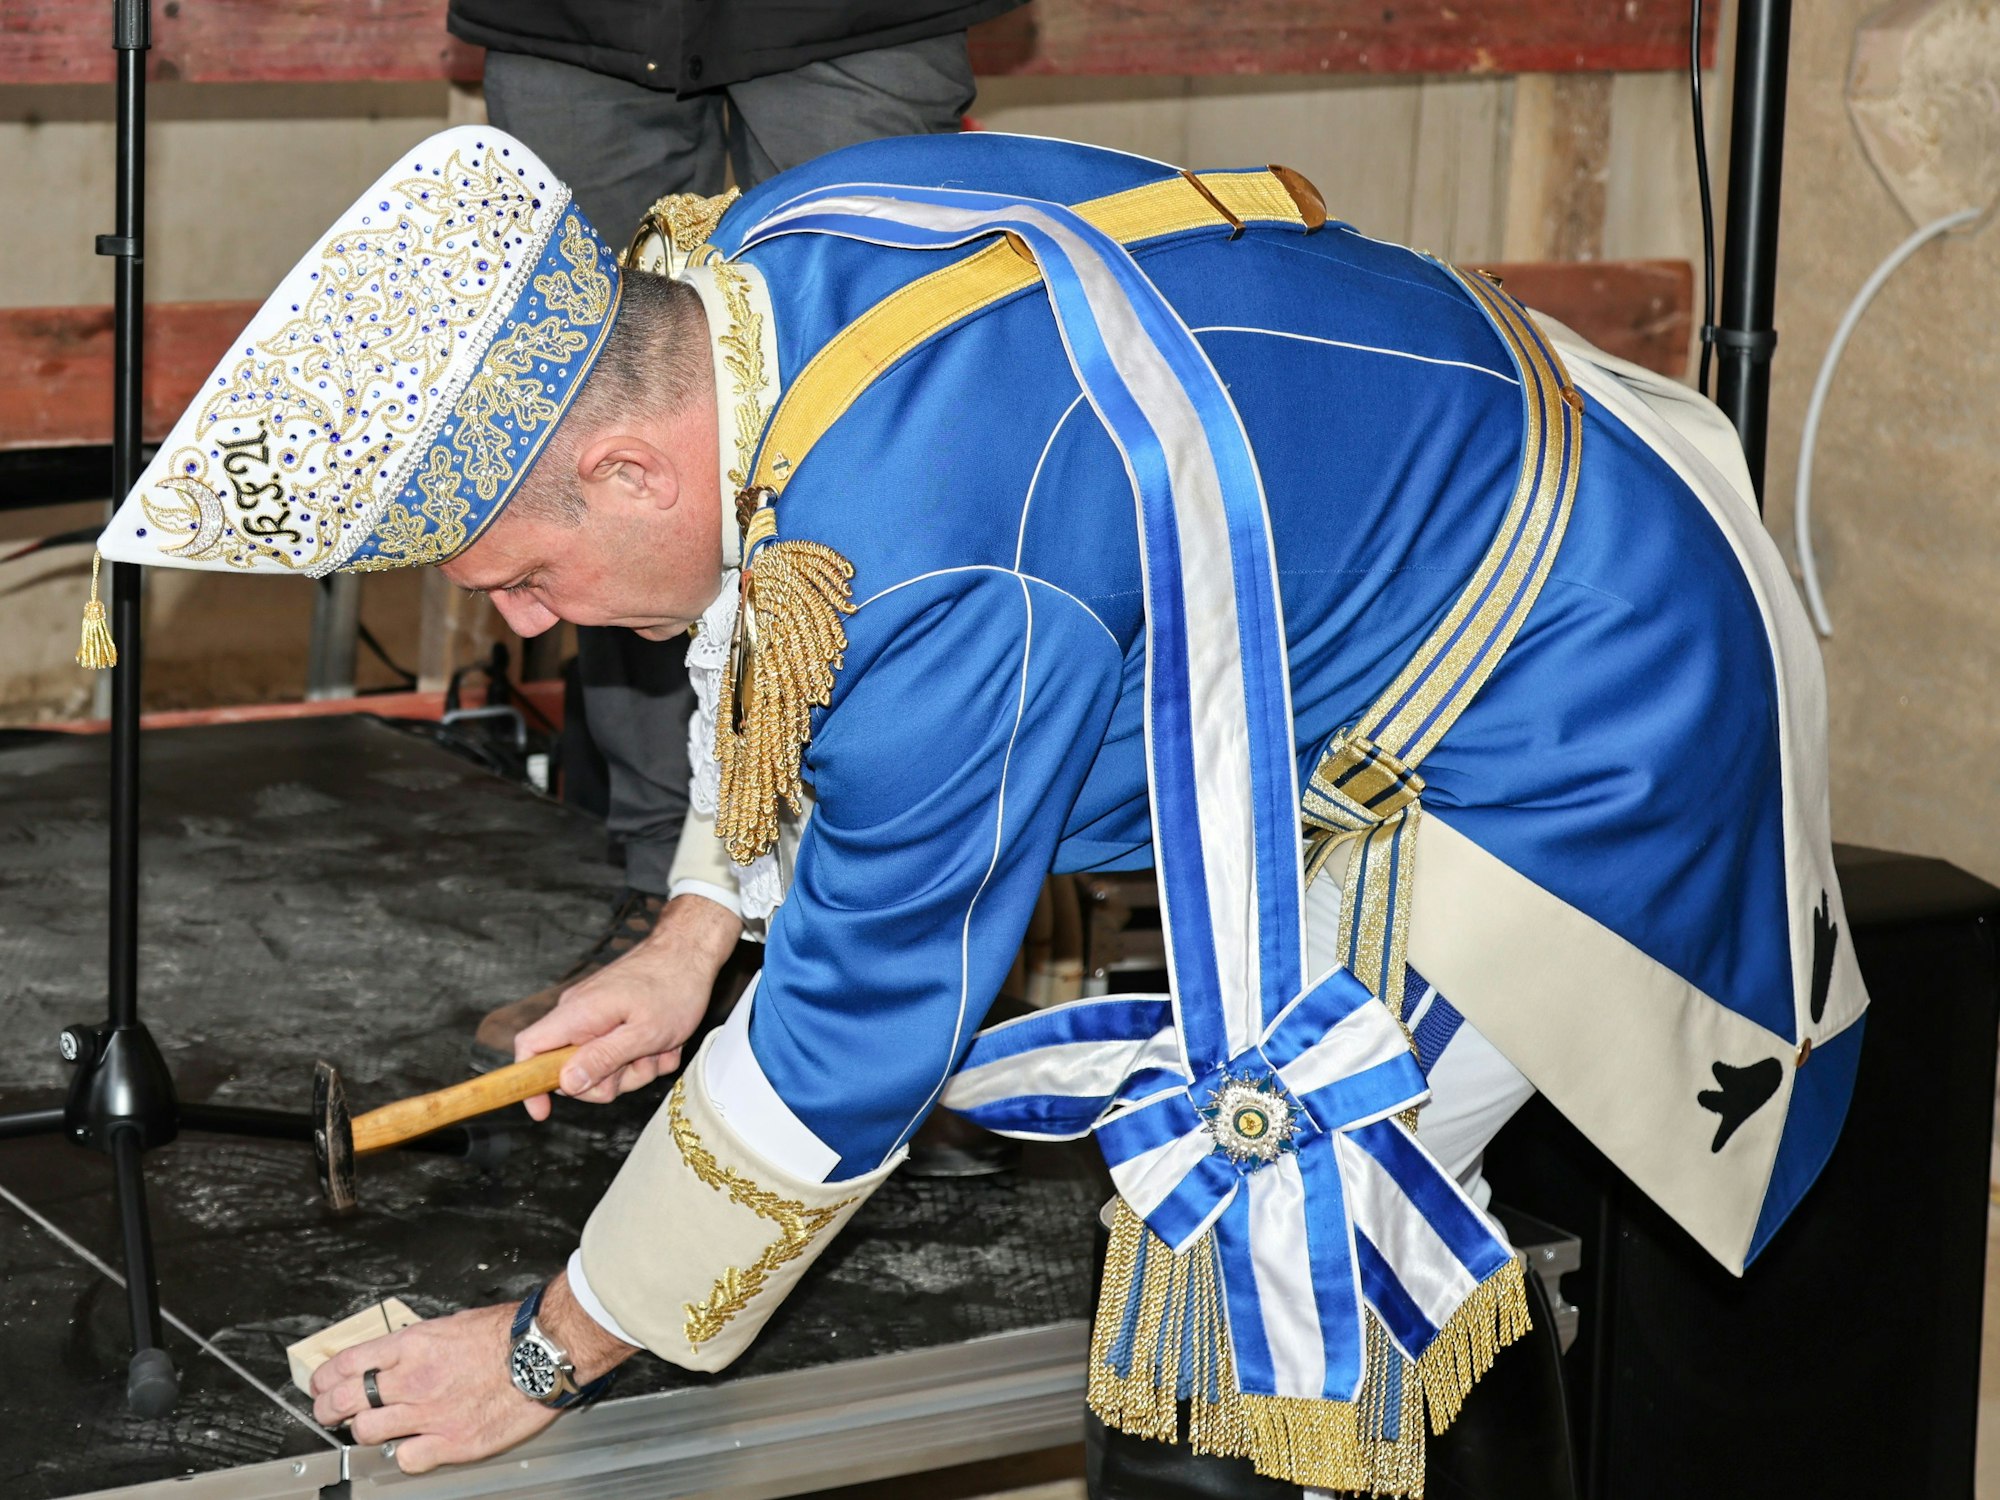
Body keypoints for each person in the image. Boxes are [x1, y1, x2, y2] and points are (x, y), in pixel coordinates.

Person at [94, 126, 1868, 1495]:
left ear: (625, 463)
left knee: (1271, 1225)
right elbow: (774, 607)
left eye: (526, 577)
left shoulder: (938, 575)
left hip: (1579, 685)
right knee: (1308, 1225)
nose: (541, 628)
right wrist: (694, 935)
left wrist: (547, 1352)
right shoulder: (751, 277)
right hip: (1486, 482)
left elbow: (850, 1043)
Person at [445, 0, 1013, 1066]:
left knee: (896, 411)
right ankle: (670, 895)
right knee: (591, 467)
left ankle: (911, 940)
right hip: (578, 17)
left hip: (848, 14)